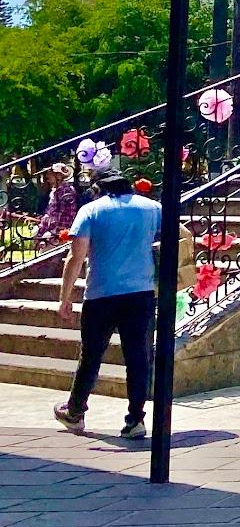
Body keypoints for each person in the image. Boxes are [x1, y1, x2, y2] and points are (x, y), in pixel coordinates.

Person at [52, 171, 160, 440]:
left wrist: (65, 298)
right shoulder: (152, 208)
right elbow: (179, 236)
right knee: (138, 358)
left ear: (98, 188)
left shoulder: (91, 210)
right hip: (140, 294)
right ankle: (135, 419)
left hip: (100, 295)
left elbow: (75, 257)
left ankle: (75, 412)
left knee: (90, 356)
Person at [36, 162, 77, 248]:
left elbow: (62, 216)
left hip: (59, 234)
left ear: (58, 176)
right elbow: (51, 213)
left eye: (50, 174)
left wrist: (48, 232)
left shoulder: (65, 191)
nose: (47, 177)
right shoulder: (55, 191)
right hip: (53, 231)